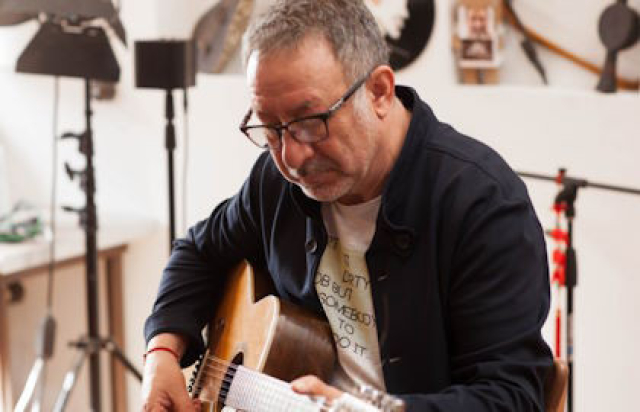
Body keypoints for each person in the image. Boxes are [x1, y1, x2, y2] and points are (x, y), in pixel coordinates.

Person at [141, 0, 553, 411]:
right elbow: (198, 251)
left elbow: (511, 396)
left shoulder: (482, 204)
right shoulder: (275, 183)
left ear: (379, 91)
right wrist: (161, 353)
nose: (291, 158)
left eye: (310, 123)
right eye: (270, 129)